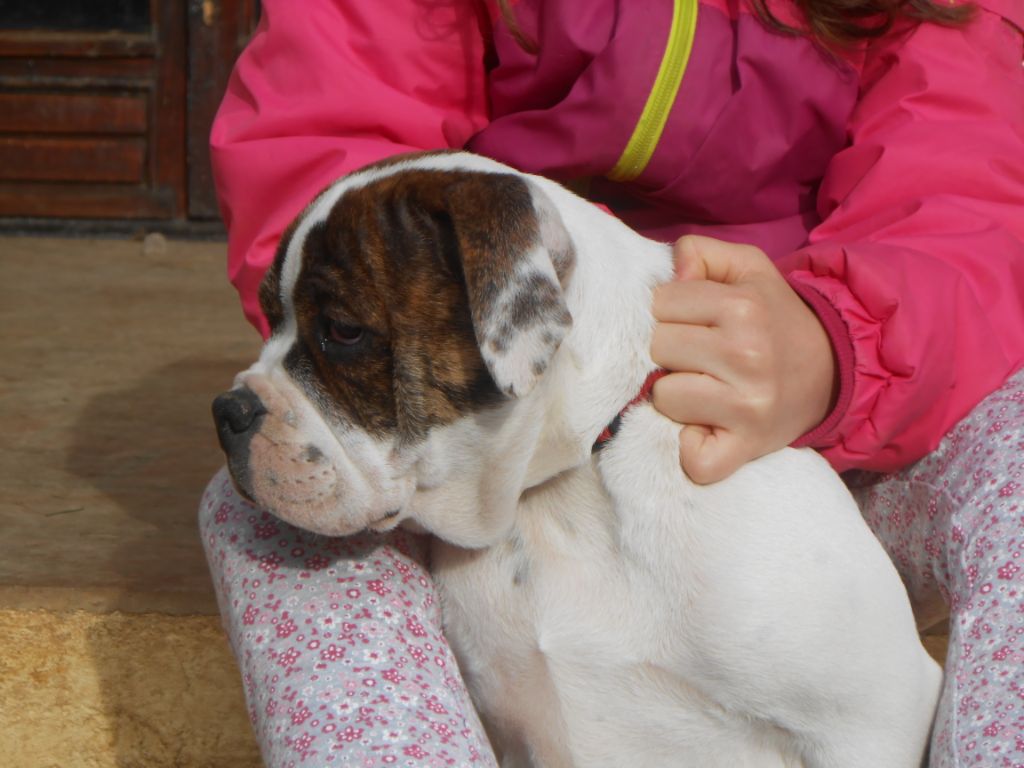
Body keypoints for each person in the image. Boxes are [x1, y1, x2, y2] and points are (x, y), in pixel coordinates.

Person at [201, 0, 1024, 765]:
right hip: (518, 391)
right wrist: (449, 255)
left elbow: (966, 188)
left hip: (856, 400)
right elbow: (329, 126)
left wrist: (840, 337)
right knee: (267, 524)